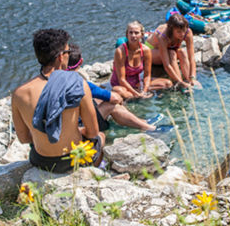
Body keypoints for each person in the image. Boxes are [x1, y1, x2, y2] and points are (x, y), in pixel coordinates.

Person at [12, 29, 104, 173]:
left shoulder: (19, 93)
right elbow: (93, 132)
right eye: (68, 52)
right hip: (73, 159)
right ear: (61, 57)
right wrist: (74, 131)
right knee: (101, 137)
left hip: (41, 161)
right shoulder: (77, 84)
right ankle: (93, 173)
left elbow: (24, 138)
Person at [67, 44, 166, 132]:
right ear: (81, 62)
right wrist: (118, 101)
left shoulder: (58, 79)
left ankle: (141, 121)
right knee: (112, 104)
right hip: (81, 127)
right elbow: (114, 98)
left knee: (98, 99)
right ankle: (149, 128)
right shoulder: (80, 83)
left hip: (69, 123)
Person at [111, 21, 172, 100]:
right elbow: (121, 80)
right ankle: (136, 96)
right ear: (127, 34)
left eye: (136, 33)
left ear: (142, 35)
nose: (133, 36)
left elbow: (147, 75)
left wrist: (144, 91)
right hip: (122, 85)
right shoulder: (120, 51)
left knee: (168, 83)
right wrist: (137, 94)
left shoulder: (145, 50)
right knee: (118, 91)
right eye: (131, 33)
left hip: (137, 83)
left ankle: (138, 96)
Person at [144, 13, 199, 89]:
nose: (182, 34)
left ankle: (188, 80)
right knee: (171, 53)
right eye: (179, 32)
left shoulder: (188, 32)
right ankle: (180, 83)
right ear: (172, 30)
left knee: (182, 52)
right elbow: (167, 65)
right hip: (151, 51)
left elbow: (191, 57)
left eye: (184, 30)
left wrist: (193, 77)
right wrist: (179, 81)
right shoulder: (162, 36)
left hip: (169, 50)